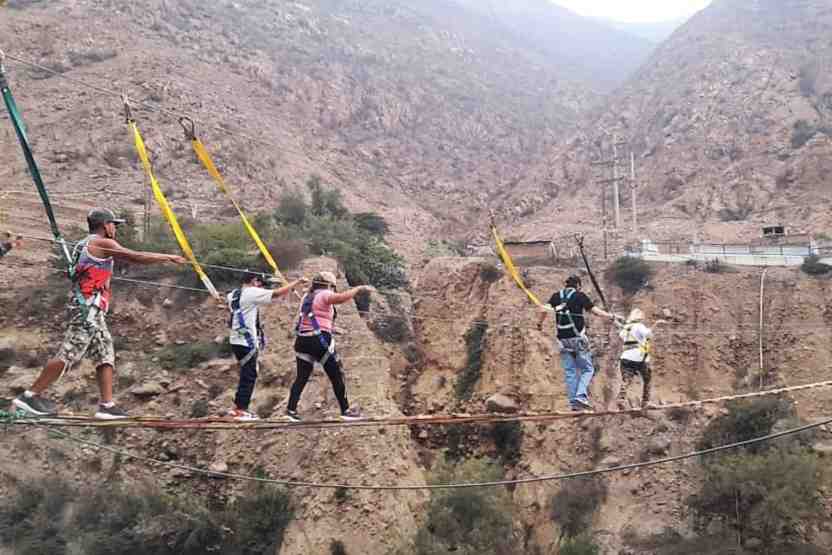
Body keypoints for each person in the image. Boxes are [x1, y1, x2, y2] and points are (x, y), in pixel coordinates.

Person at [12, 208, 187, 419]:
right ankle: (28, 397)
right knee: (69, 353)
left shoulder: (82, 243)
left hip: (90, 308)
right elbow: (135, 256)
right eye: (114, 224)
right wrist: (167, 257)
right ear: (105, 225)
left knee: (105, 354)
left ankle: (107, 405)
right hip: (87, 308)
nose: (115, 228)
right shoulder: (102, 242)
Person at [286, 271, 374, 422]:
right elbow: (339, 299)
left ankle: (290, 410)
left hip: (302, 341)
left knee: (301, 377)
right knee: (336, 375)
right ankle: (345, 410)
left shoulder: (307, 297)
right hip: (319, 341)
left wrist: (333, 329)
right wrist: (358, 289)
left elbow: (313, 318)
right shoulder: (324, 294)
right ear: (330, 285)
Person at [227, 271, 307, 421]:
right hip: (246, 342)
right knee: (249, 375)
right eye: (259, 283)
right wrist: (296, 282)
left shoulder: (233, 295)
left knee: (247, 373)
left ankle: (238, 407)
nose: (261, 287)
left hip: (236, 340)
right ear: (254, 281)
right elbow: (276, 294)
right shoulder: (251, 292)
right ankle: (240, 409)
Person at [536, 274, 619, 412]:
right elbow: (595, 311)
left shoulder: (556, 296)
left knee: (570, 371)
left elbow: (544, 309)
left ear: (566, 285)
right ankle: (581, 396)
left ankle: (574, 403)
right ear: (578, 285)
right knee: (587, 369)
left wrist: (539, 323)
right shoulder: (580, 296)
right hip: (577, 338)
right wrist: (610, 316)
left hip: (562, 340)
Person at [617, 308, 664, 410]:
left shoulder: (626, 328)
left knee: (627, 379)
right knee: (647, 377)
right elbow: (648, 335)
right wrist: (656, 324)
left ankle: (621, 399)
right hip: (638, 357)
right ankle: (645, 402)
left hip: (625, 357)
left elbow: (621, 336)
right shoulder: (639, 326)